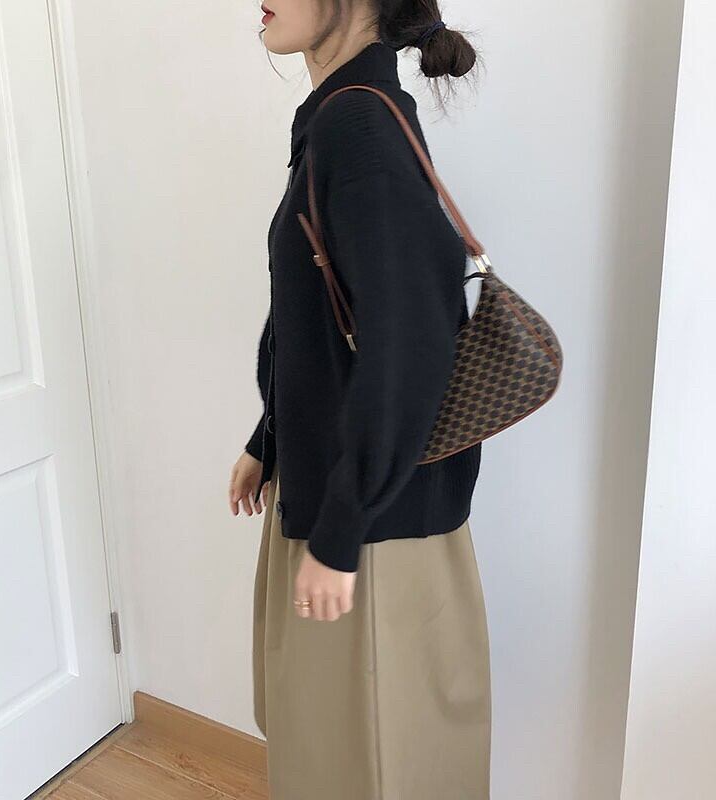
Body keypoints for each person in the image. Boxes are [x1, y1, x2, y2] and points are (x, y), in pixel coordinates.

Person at [228, 3, 491, 798]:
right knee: (333, 755)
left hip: (372, 529)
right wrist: (269, 437)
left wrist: (341, 534)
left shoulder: (359, 129)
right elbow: (319, 315)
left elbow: (409, 346)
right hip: (346, 498)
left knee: (370, 766)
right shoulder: (342, 118)